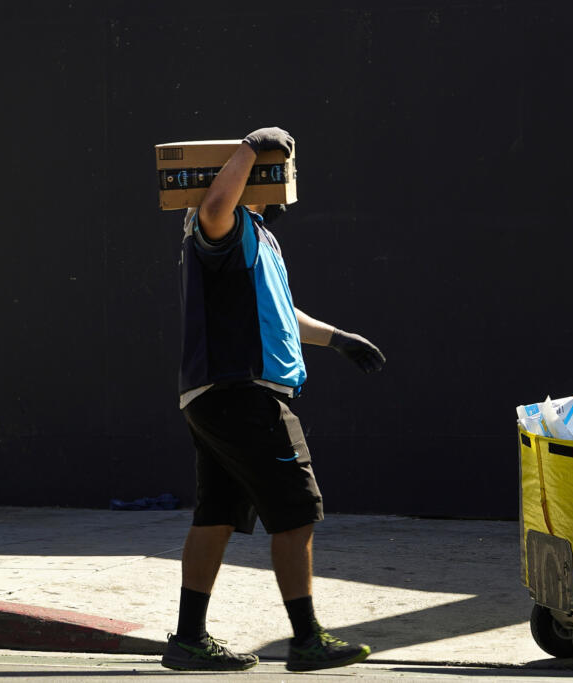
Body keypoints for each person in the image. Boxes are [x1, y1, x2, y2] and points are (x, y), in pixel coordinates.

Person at [160, 126, 386, 673]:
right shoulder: (223, 225)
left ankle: (188, 639)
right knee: (295, 511)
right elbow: (216, 204)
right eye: (278, 170)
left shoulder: (257, 235)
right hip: (243, 394)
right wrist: (249, 147)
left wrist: (338, 340)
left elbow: (282, 313)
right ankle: (307, 639)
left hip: (216, 396)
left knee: (215, 516)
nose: (286, 180)